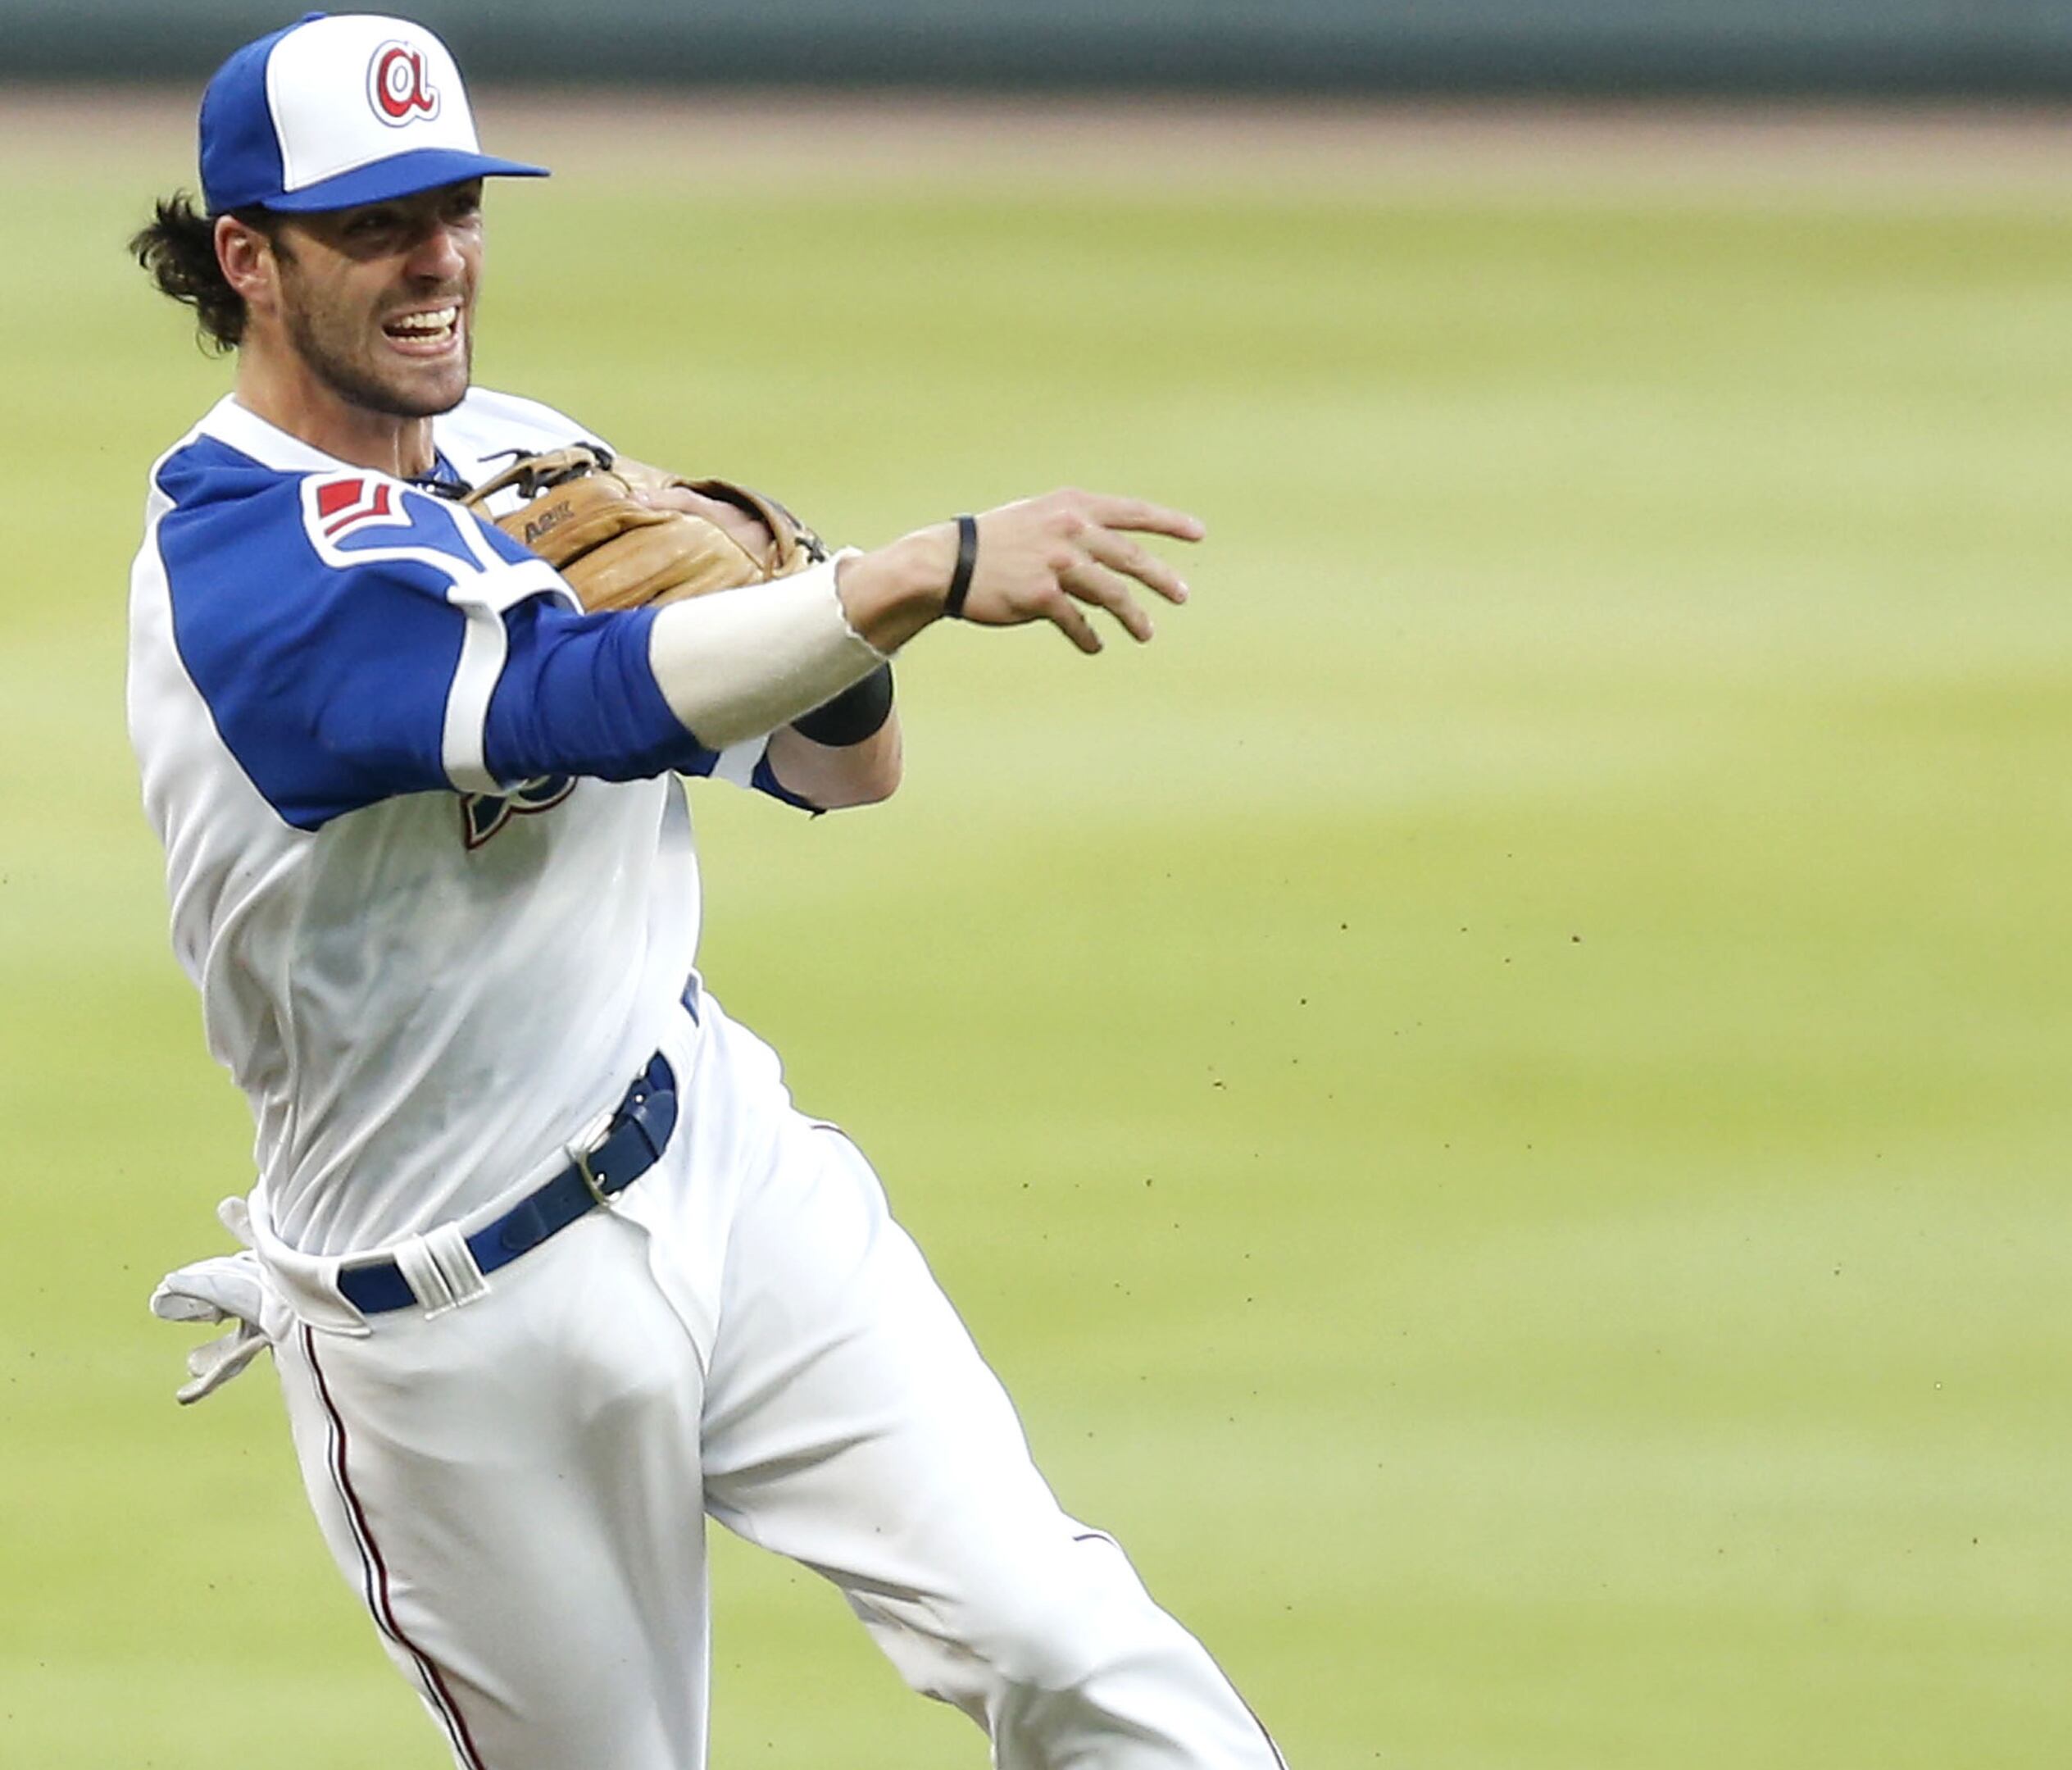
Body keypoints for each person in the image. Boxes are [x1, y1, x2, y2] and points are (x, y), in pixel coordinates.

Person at [125, 14, 1283, 1768]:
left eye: (455, 207)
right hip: (452, 1332)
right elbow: (551, 709)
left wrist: (806, 598)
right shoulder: (233, 566)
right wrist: (895, 578)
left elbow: (839, 767)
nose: (436, 259)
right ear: (247, 259)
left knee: (1067, 1641)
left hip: (718, 1165)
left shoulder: (518, 447)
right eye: (374, 224)